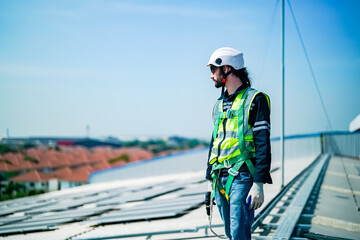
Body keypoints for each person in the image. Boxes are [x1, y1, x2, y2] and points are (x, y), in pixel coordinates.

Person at [204, 47, 272, 240]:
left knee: (238, 232)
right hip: (219, 177)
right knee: (229, 232)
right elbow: (215, 142)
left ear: (227, 69)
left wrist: (258, 183)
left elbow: (262, 143)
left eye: (213, 70)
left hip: (242, 175)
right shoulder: (219, 105)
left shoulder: (255, 100)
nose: (211, 76)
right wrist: (210, 180)